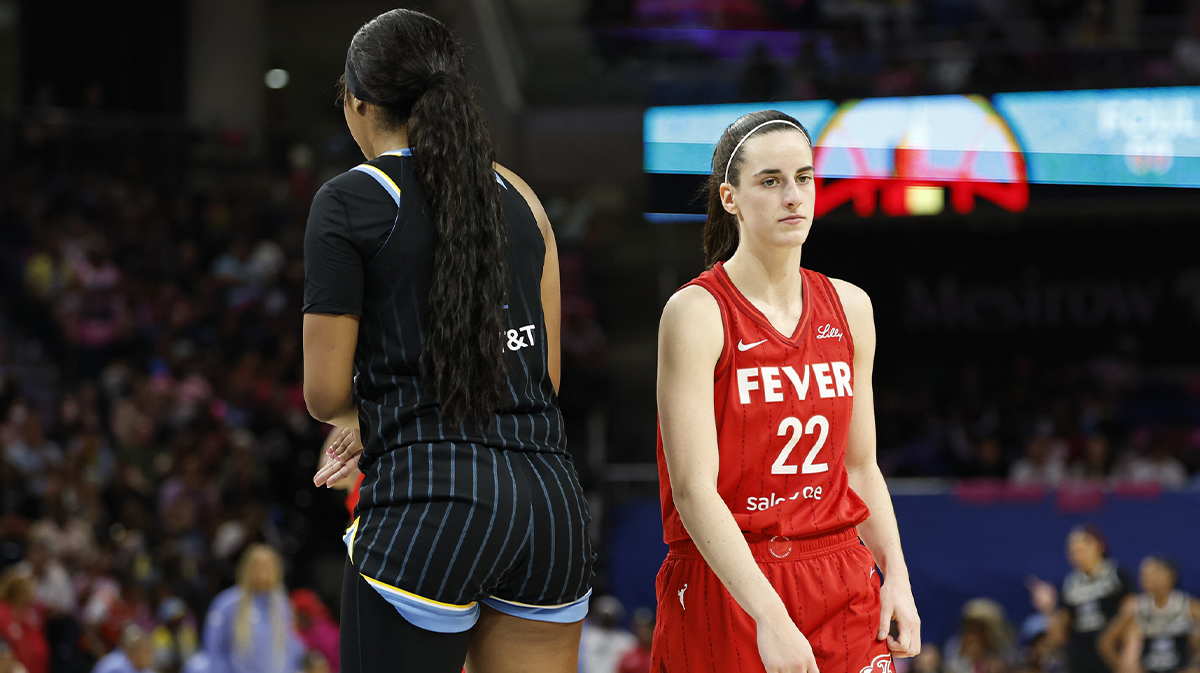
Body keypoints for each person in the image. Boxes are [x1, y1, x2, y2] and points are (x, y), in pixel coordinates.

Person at [302, 9, 593, 673]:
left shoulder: (349, 201)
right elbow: (542, 377)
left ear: (358, 103)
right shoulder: (519, 195)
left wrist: (360, 418)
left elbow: (323, 391)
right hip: (550, 504)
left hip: (430, 500)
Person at [653, 109, 921, 673]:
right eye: (770, 182)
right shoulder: (697, 313)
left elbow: (861, 467)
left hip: (839, 570)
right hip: (730, 578)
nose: (793, 196)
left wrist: (895, 572)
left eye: (804, 178)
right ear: (730, 198)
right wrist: (771, 618)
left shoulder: (851, 306)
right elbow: (694, 491)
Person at [200, 544, 303, 673]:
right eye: (258, 565)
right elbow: (214, 648)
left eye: (268, 566)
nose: (263, 571)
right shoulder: (228, 603)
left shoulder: (282, 604)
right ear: (246, 568)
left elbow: (291, 646)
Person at [1051, 525, 1133, 673]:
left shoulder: (1117, 574)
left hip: (1112, 654)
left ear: (1099, 546)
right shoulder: (1070, 583)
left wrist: (1111, 643)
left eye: (1081, 550)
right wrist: (1049, 608)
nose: (1077, 556)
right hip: (1080, 658)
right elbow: (1061, 632)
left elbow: (1131, 613)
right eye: (1073, 552)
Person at [1099, 556, 1200, 673]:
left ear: (1170, 576)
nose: (1146, 577)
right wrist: (1121, 667)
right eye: (1143, 573)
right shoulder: (1137, 608)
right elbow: (1106, 643)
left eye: (1153, 572)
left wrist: (1195, 665)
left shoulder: (1187, 605)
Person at [0, 565, 49, 673]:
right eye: (28, 590)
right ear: (19, 592)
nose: (32, 595)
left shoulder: (28, 616)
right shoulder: (2, 612)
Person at [91, 625, 156, 673]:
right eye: (147, 652)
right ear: (137, 651)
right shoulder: (115, 666)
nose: (150, 658)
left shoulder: (138, 666)